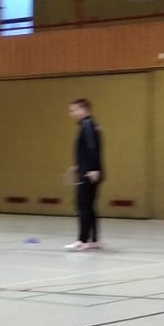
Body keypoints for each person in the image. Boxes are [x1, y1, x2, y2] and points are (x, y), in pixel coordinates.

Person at [66, 97, 103, 251]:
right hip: (87, 170)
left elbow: (92, 147)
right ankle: (93, 240)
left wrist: (93, 168)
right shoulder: (91, 124)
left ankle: (82, 240)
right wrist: (77, 166)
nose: (71, 113)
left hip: (88, 173)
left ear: (84, 109)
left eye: (74, 110)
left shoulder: (87, 125)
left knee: (82, 206)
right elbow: (86, 150)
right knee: (89, 206)